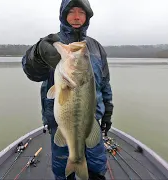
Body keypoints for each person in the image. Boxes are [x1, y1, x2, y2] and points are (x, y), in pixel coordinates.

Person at [21, 0, 114, 179]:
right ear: (63, 15)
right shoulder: (52, 43)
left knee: (96, 168)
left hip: (91, 121)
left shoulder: (95, 47)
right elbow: (30, 71)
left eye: (81, 12)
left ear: (87, 17)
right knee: (62, 169)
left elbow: (105, 82)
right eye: (72, 12)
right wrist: (38, 53)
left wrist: (108, 111)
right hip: (61, 124)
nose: (77, 17)